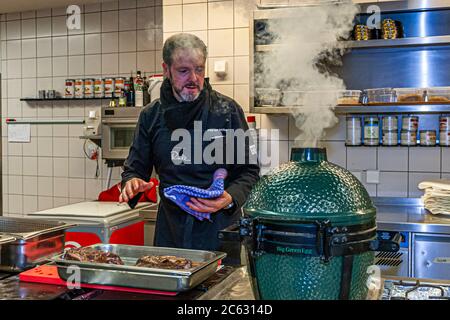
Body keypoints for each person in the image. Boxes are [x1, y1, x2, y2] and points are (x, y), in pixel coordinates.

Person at [119, 33, 260, 256]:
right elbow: (135, 170)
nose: (194, 78)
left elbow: (249, 171)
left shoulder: (227, 111)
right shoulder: (151, 116)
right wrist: (133, 183)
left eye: (200, 69)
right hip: (171, 233)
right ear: (166, 70)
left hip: (219, 230)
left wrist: (229, 197)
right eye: (183, 71)